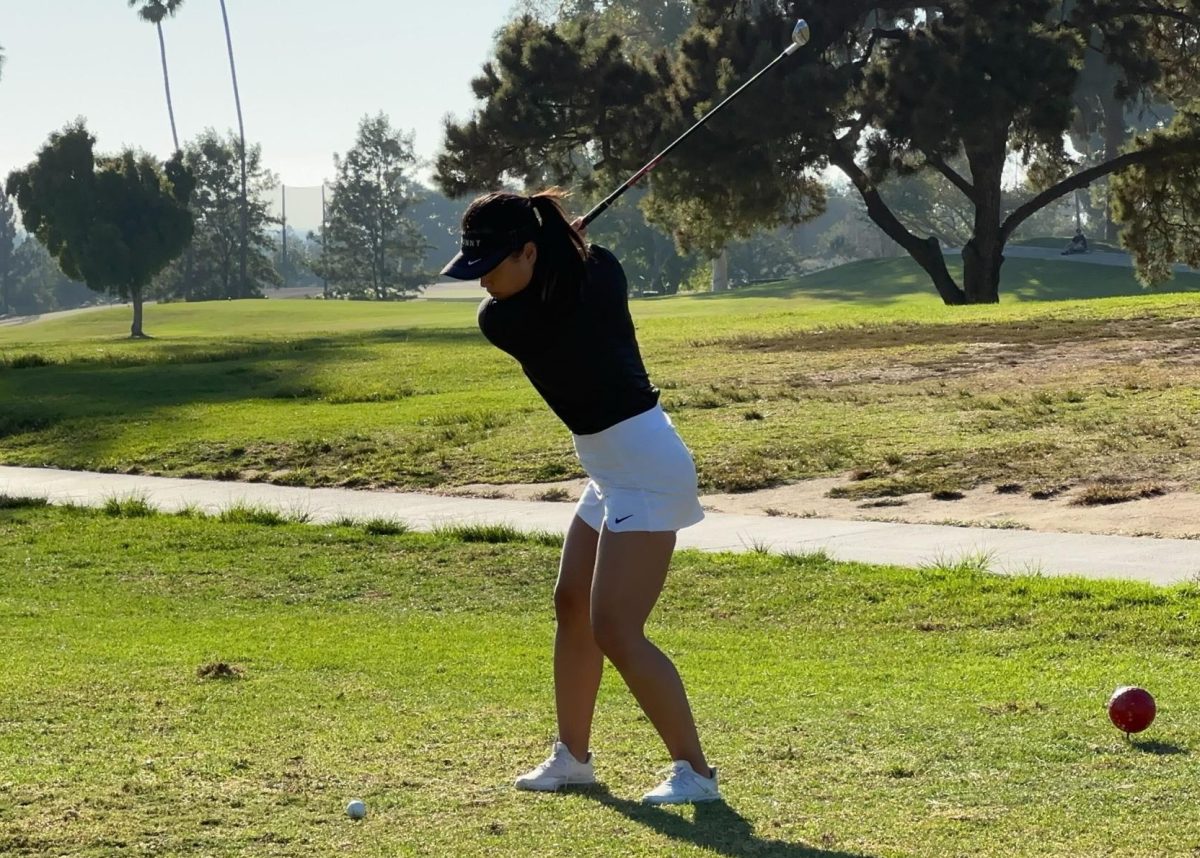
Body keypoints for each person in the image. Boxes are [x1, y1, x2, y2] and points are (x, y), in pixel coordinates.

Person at [440, 189, 718, 805]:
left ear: (530, 253)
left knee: (616, 627)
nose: (482, 284)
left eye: (490, 267)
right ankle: (573, 758)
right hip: (611, 469)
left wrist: (558, 248)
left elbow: (561, 294)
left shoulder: (511, 319)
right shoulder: (591, 276)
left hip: (644, 465)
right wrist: (562, 248)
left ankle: (695, 773)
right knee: (572, 602)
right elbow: (588, 270)